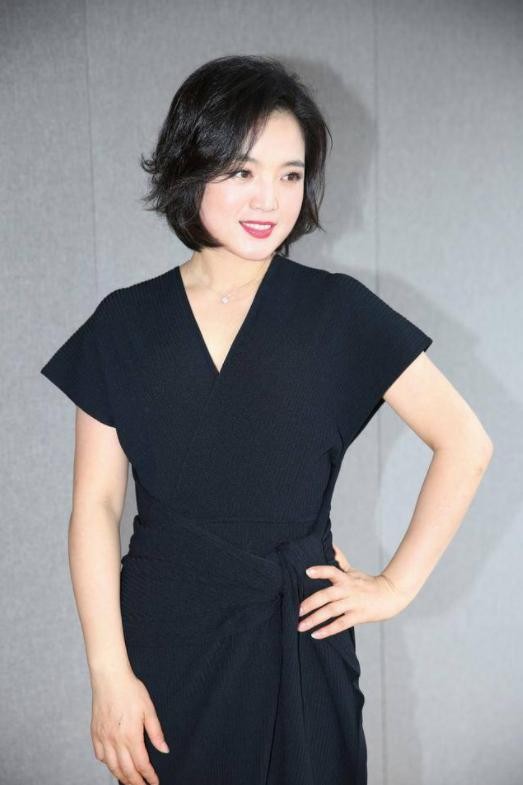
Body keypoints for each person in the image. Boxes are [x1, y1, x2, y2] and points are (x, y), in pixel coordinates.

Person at [40, 55, 493, 785]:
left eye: (290, 174)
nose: (269, 199)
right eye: (241, 170)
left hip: (298, 635)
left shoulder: (337, 312)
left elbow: (465, 442)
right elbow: (94, 505)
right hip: (164, 642)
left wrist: (395, 586)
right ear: (190, 167)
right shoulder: (124, 323)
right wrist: (107, 674)